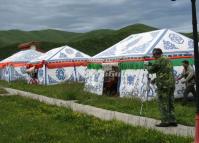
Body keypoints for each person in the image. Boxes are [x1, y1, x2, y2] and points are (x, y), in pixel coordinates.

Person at [147, 48, 177, 127]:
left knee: (163, 102)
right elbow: (164, 72)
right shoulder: (168, 59)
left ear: (156, 54)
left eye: (154, 55)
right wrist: (156, 79)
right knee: (170, 102)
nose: (153, 57)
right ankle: (172, 120)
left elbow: (151, 70)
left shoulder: (159, 60)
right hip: (171, 84)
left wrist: (147, 65)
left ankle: (165, 121)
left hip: (163, 85)